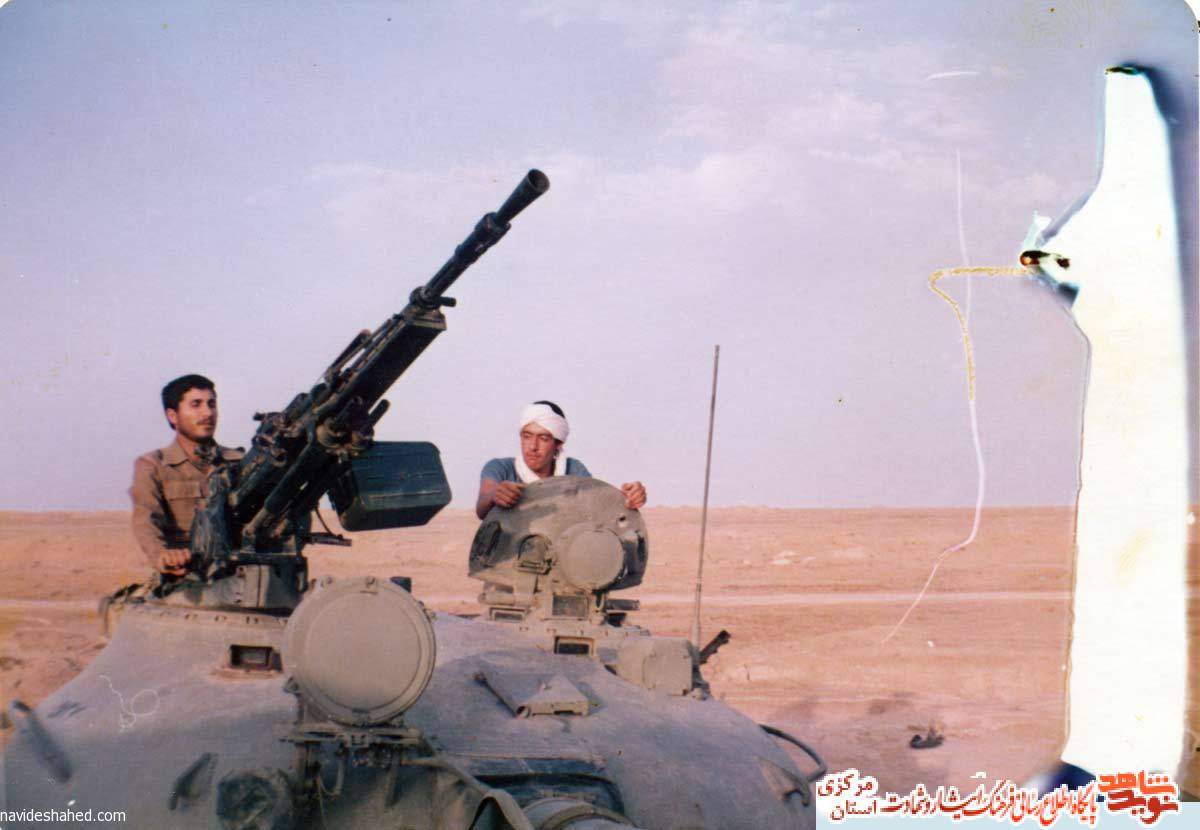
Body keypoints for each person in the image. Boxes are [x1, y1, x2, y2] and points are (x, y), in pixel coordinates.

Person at [129, 374, 243, 576]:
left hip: (241, 572)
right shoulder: (153, 465)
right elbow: (146, 519)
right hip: (186, 575)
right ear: (172, 416)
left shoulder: (239, 462)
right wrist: (162, 555)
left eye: (212, 404)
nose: (207, 413)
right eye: (196, 404)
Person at [475, 400, 646, 519]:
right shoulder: (500, 468)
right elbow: (482, 506)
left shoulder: (573, 470)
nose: (532, 446)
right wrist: (495, 496)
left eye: (543, 438)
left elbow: (598, 504)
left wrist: (628, 498)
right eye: (527, 436)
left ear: (558, 443)